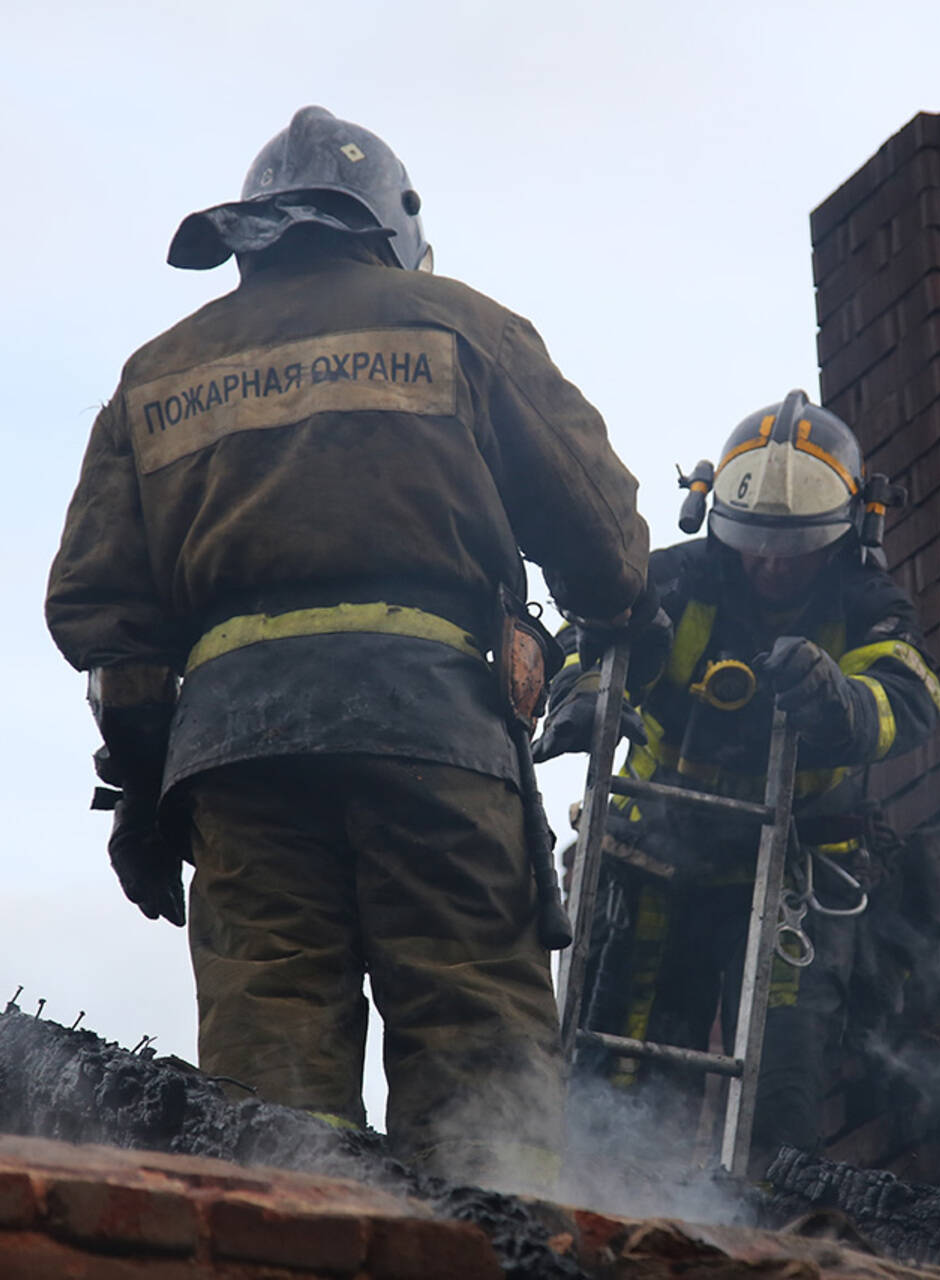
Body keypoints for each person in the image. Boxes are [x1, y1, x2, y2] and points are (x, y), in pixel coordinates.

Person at [45, 105, 650, 1189]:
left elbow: (107, 622)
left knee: (266, 1083)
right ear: (388, 226)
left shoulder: (156, 373)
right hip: (436, 741)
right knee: (476, 1049)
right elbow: (605, 551)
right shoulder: (456, 322)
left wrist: (142, 791)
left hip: (237, 758)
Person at [535, 389, 940, 1170]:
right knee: (617, 1077)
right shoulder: (669, 581)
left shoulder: (867, 607)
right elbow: (585, 644)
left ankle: (769, 1234)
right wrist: (585, 694)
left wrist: (843, 702)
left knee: (780, 1089)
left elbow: (909, 695)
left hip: (789, 870)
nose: (771, 561)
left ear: (849, 532)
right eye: (754, 539)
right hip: (653, 859)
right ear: (715, 518)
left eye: (794, 545)